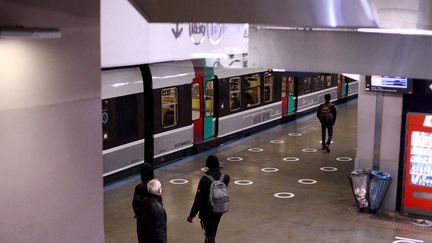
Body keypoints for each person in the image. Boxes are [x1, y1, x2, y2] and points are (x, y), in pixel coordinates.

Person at [187, 155, 230, 243]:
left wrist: (191, 215)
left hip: (206, 214)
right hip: (219, 210)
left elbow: (197, 201)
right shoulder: (226, 178)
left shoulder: (204, 180)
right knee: (211, 234)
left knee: (209, 236)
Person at [138, 179, 167, 243]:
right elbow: (160, 233)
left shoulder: (143, 202)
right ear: (159, 191)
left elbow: (140, 227)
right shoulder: (159, 209)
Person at [132, 163, 155, 243]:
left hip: (142, 218)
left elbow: (135, 203)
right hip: (155, 216)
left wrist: (137, 212)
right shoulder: (157, 185)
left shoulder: (139, 188)